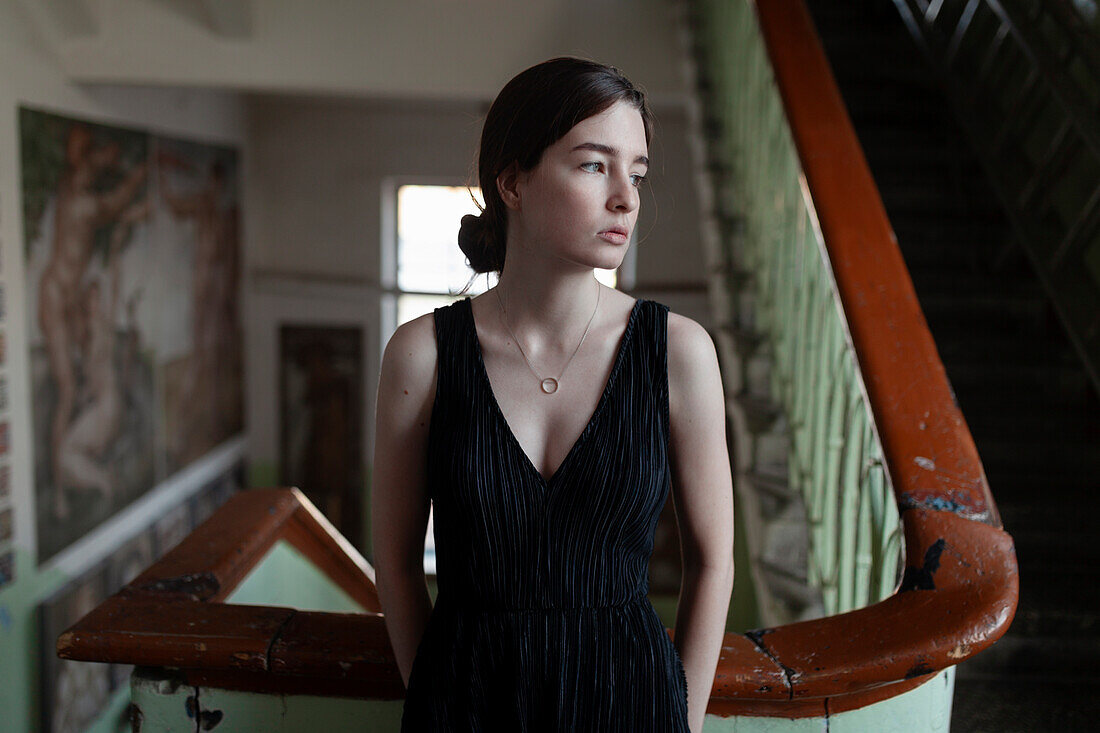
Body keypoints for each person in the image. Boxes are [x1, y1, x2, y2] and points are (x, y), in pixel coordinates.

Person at [372, 57, 734, 732]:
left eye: (638, 171)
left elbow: (712, 560)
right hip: (464, 703)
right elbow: (394, 562)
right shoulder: (423, 355)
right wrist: (438, 697)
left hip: (633, 703)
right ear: (513, 180)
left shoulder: (678, 352)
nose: (626, 196)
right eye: (595, 165)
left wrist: (683, 721)